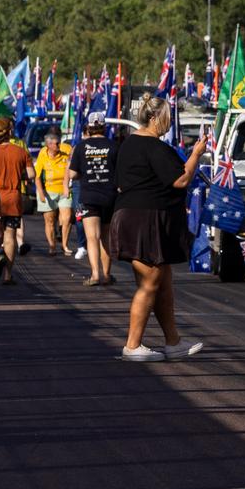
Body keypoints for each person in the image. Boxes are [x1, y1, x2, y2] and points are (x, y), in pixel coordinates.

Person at [110, 94, 206, 362]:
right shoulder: (154, 147)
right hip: (143, 220)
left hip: (135, 216)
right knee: (150, 282)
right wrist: (196, 154)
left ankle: (173, 341)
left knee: (163, 282)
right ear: (153, 118)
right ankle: (132, 345)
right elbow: (181, 179)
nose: (168, 122)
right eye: (165, 116)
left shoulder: (128, 144)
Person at [67, 113, 118, 286]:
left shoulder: (81, 147)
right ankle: (106, 274)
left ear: (88, 127)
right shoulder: (114, 146)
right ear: (104, 127)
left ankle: (95, 275)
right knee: (106, 237)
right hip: (110, 196)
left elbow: (73, 174)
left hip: (88, 196)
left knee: (92, 237)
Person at [0, 119, 33, 285]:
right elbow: (31, 174)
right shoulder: (20, 151)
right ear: (9, 131)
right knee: (10, 236)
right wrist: (20, 175)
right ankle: (8, 275)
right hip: (13, 199)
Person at [34, 133, 72, 256]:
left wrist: (67, 186)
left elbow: (71, 169)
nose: (59, 145)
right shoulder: (43, 155)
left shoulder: (65, 153)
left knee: (66, 218)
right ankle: (52, 245)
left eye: (59, 142)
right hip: (48, 191)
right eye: (56, 144)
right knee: (50, 220)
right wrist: (41, 193)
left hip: (64, 190)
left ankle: (65, 245)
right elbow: (37, 176)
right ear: (49, 145)